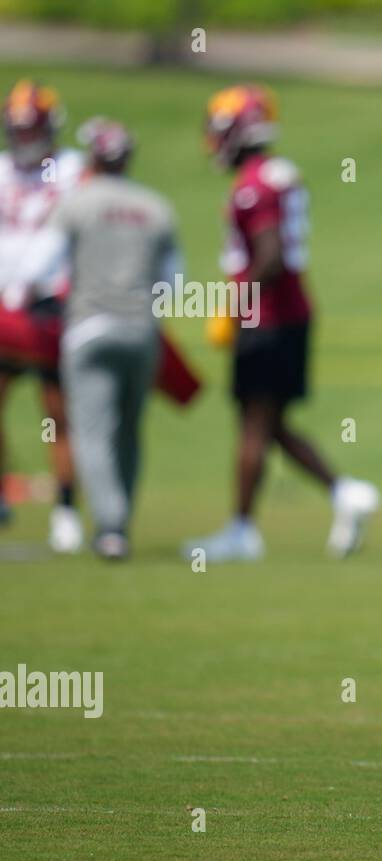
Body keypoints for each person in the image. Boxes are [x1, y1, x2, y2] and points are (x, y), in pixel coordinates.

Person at [184, 84, 378, 563]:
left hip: (269, 318)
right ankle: (343, 494)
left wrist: (235, 306)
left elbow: (269, 258)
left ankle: (244, 531)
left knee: (255, 423)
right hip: (287, 316)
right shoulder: (275, 176)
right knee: (266, 424)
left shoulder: (255, 185)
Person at [18, 119, 178, 558]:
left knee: (93, 431)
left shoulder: (77, 204)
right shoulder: (156, 207)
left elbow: (37, 267)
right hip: (142, 330)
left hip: (88, 328)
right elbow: (174, 284)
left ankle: (109, 526)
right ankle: (121, 519)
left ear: (93, 158)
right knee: (129, 430)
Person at [0, 79, 84, 552]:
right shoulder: (2, 170)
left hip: (51, 302)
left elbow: (62, 235)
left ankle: (67, 509)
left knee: (57, 412)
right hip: (4, 304)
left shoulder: (70, 170)